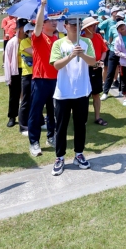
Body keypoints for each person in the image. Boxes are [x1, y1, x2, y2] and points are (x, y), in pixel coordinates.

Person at [49, 17, 96, 176]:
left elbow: (93, 62)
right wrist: (71, 55)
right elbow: (56, 65)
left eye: (78, 24)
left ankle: (79, 154)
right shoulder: (58, 43)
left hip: (82, 91)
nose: (76, 27)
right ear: (66, 26)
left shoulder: (86, 42)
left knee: (80, 125)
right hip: (63, 92)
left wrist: (81, 54)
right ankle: (60, 157)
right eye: (73, 24)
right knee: (61, 127)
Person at [28, 0, 60, 157]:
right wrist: (42, 7)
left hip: (55, 79)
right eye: (50, 20)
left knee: (53, 111)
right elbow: (38, 25)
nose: (54, 22)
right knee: (36, 112)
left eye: (55, 20)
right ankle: (34, 142)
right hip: (40, 80)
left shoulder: (57, 39)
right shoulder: (38, 37)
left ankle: (51, 136)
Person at [81, 17, 108, 126]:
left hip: (97, 69)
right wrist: (92, 63)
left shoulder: (98, 36)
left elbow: (104, 50)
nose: (94, 27)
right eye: (92, 25)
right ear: (86, 28)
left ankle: (97, 117)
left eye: (95, 25)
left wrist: (101, 61)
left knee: (96, 94)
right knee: (84, 96)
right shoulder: (81, 39)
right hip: (85, 69)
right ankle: (83, 119)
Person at [2, 19, 27, 128]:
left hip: (27, 70)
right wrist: (8, 76)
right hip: (15, 70)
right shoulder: (12, 42)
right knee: (14, 95)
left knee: (28, 95)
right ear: (20, 29)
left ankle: (26, 116)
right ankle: (12, 116)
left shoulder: (29, 40)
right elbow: (7, 61)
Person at [18, 23, 35, 134]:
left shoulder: (38, 41)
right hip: (28, 74)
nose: (33, 33)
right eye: (31, 31)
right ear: (27, 32)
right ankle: (23, 126)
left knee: (36, 100)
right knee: (26, 101)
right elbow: (35, 53)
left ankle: (39, 121)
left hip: (37, 74)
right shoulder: (24, 42)